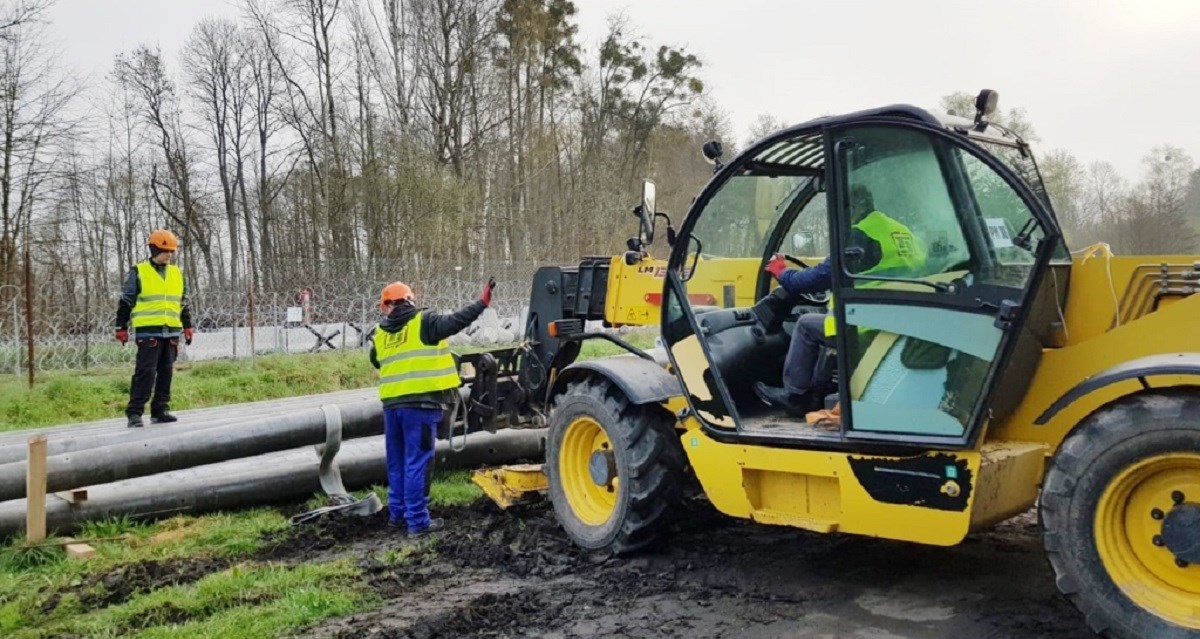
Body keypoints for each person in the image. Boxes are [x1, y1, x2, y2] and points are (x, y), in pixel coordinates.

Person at [754, 185, 925, 417]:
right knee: (829, 324)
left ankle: (795, 396)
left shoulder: (860, 235)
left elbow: (815, 279)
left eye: (844, 209)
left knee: (806, 325)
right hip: (899, 320)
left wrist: (781, 272)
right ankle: (817, 394)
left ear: (858, 207)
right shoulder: (899, 231)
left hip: (867, 323)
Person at [370, 276, 495, 536]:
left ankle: (397, 515)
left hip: (392, 408)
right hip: (422, 407)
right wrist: (482, 303)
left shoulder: (380, 334)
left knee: (398, 462)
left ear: (386, 306)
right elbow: (456, 321)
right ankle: (417, 523)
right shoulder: (425, 323)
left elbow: (376, 361)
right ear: (410, 300)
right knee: (418, 462)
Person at [115, 229, 194, 428]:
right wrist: (121, 326)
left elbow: (182, 303)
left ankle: (160, 410)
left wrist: (187, 326)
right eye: (165, 251)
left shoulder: (176, 273)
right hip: (148, 331)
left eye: (172, 251)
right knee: (145, 372)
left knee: (166, 372)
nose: (169, 254)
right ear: (154, 249)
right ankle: (135, 413)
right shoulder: (139, 271)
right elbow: (126, 300)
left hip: (171, 331)